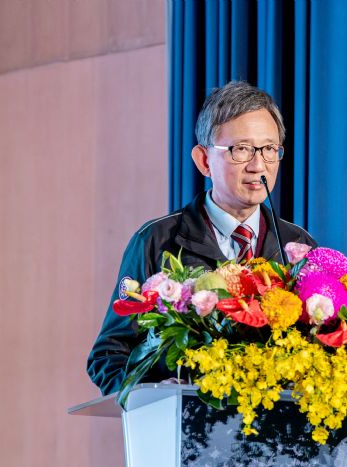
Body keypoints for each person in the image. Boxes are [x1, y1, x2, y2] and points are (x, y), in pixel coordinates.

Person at [87, 81, 317, 395]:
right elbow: (108, 357)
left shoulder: (298, 246)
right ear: (204, 160)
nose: (258, 165)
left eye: (268, 149)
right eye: (242, 149)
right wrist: (156, 394)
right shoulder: (156, 241)